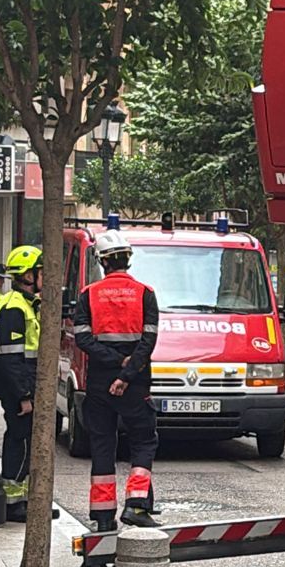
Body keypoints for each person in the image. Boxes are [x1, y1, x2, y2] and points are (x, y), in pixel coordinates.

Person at [71, 229, 160, 538]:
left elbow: (82, 338)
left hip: (98, 382)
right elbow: (149, 341)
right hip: (135, 382)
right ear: (128, 260)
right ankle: (136, 506)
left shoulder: (88, 295)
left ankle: (103, 516)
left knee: (102, 445)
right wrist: (127, 373)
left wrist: (112, 363)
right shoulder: (146, 292)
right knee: (143, 440)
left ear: (102, 262)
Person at [0, 245, 43, 520]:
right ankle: (13, 502)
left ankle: (23, 498)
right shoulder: (14, 308)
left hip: (26, 383)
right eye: (40, 271)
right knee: (18, 440)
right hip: (18, 386)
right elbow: (10, 359)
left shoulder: (27, 303)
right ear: (27, 275)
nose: (45, 275)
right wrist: (24, 394)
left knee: (26, 440)